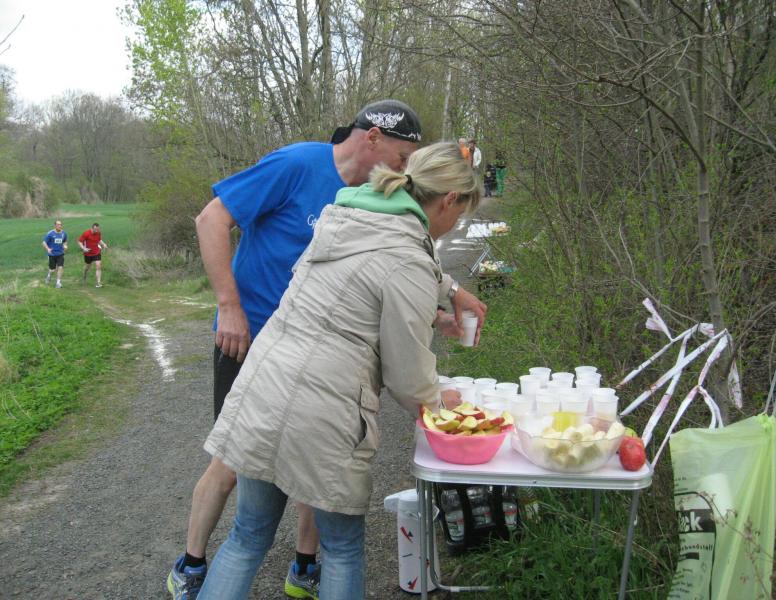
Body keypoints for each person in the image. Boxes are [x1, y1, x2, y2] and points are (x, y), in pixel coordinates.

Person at [168, 100, 487, 600]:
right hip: (323, 411)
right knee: (341, 549)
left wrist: (443, 291)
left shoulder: (345, 211)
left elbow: (362, 283)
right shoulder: (406, 256)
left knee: (247, 536)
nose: (454, 225)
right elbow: (408, 377)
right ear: (448, 200)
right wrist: (440, 404)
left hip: (267, 382)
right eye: (460, 215)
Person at [78, 223, 109, 288]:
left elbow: (99, 240)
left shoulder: (98, 233)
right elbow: (79, 241)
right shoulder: (86, 233)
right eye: (95, 229)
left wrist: (104, 244)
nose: (96, 231)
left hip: (96, 252)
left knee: (98, 265)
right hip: (88, 253)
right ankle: (84, 276)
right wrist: (83, 248)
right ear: (92, 228)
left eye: (98, 229)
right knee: (87, 267)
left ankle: (98, 283)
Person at [42, 220, 68, 288]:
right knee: (52, 270)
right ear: (55, 225)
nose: (60, 226)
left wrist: (65, 246)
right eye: (58, 225)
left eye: (60, 224)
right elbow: (44, 242)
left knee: (60, 267)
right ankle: (49, 275)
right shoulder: (50, 233)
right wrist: (48, 249)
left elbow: (65, 241)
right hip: (52, 254)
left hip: (60, 253)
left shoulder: (64, 233)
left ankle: (58, 283)